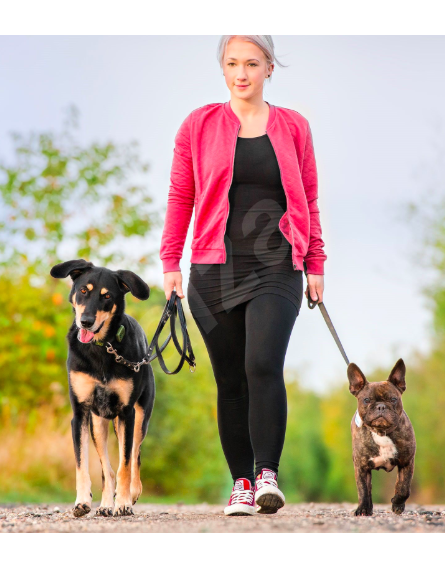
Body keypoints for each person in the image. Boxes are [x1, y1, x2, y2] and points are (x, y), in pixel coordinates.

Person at [160, 35, 327, 516]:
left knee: (262, 364)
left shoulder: (294, 127)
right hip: (212, 269)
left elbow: (309, 199)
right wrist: (171, 262)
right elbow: (180, 196)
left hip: (277, 265)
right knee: (230, 380)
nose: (241, 73)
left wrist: (315, 263)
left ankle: (267, 474)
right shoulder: (198, 125)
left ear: (269, 67)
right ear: (223, 68)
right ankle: (240, 484)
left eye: (251, 63)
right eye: (232, 63)